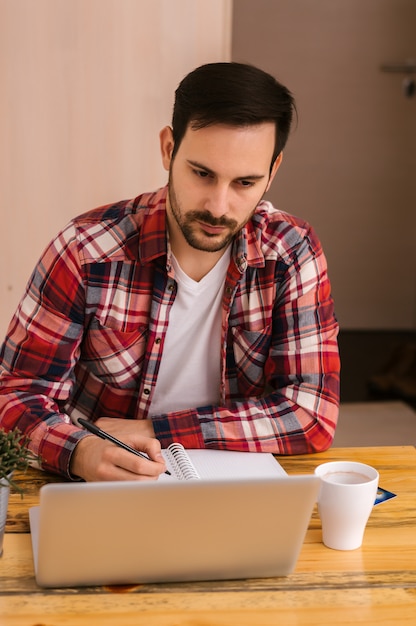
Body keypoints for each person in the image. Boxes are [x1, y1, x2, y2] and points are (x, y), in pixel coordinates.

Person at [0, 62, 340, 482]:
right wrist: (80, 453)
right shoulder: (86, 251)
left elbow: (312, 412)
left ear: (273, 172)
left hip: (233, 492)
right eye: (202, 173)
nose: (218, 206)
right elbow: (15, 396)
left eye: (244, 183)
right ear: (168, 149)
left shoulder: (291, 252)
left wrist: (157, 431)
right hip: (101, 486)